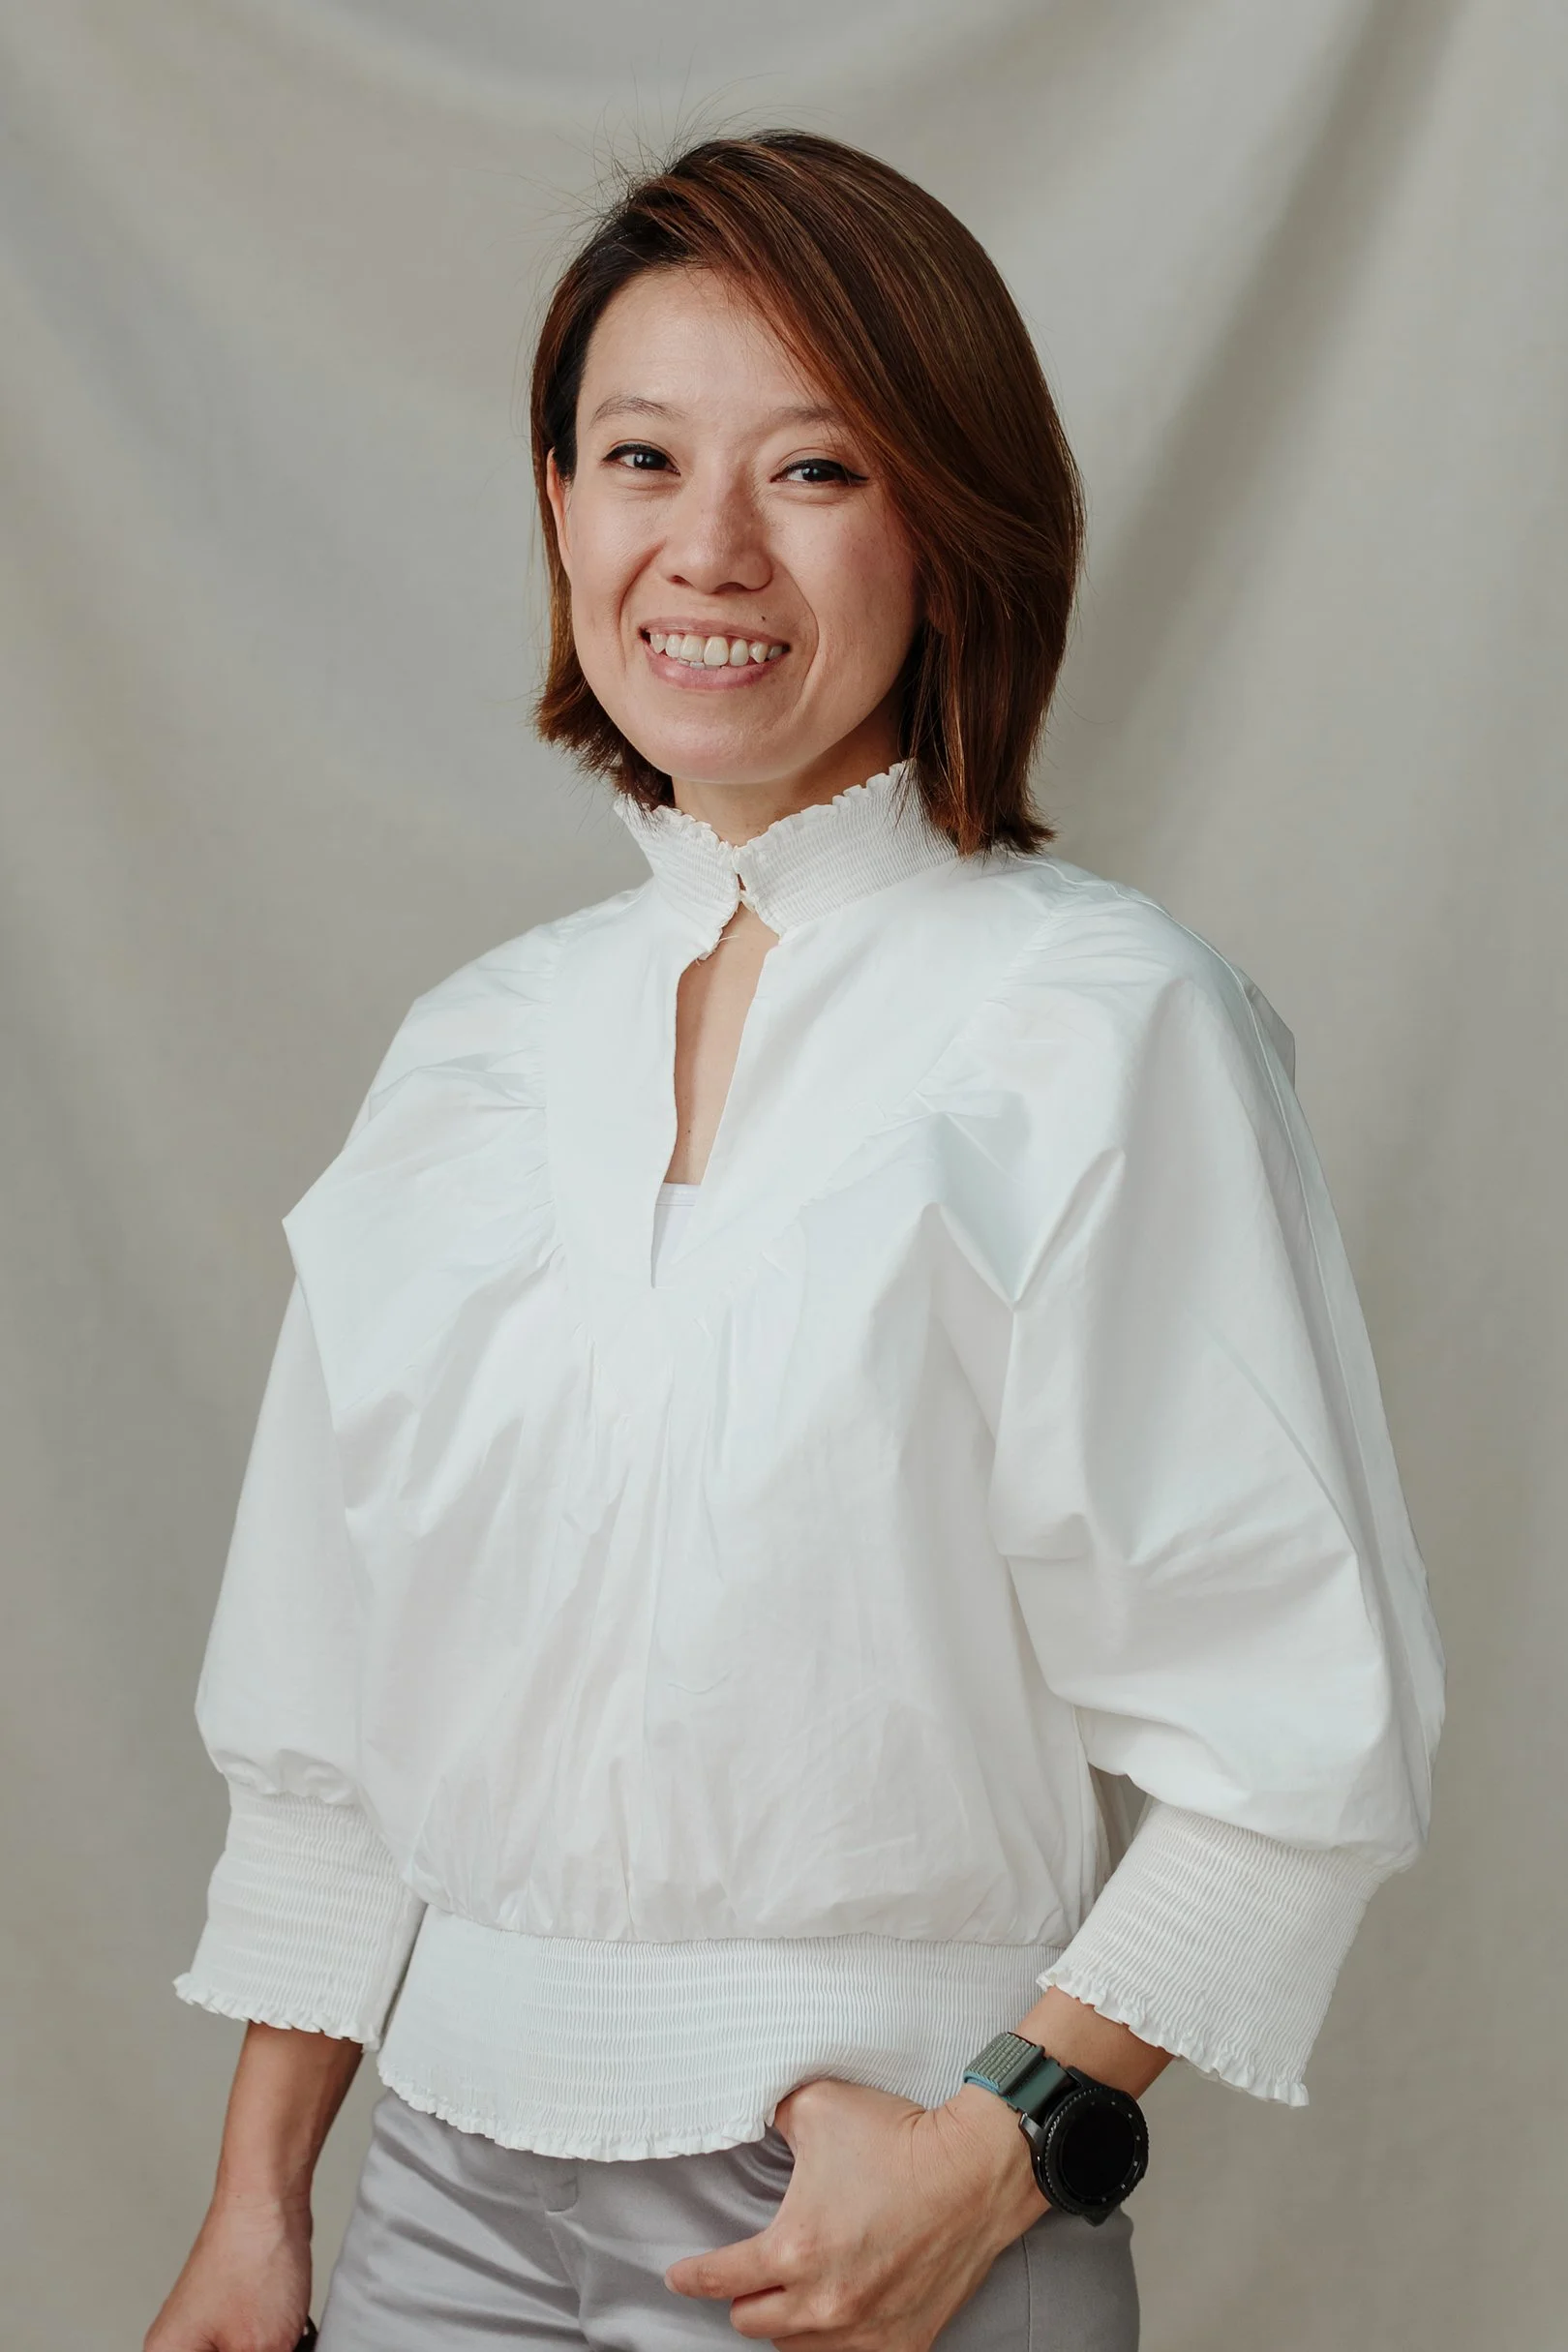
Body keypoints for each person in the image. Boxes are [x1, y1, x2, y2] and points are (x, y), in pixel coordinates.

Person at [147, 131, 1445, 2352]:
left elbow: (1305, 1729)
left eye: (817, 470)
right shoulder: (470, 1055)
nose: (708, 548)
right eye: (640, 457)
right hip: (435, 2211)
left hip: (856, 2219)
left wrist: (999, 2152)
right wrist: (261, 2205)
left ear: (949, 525)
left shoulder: (1099, 1024)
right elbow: (339, 1715)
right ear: (559, 506)